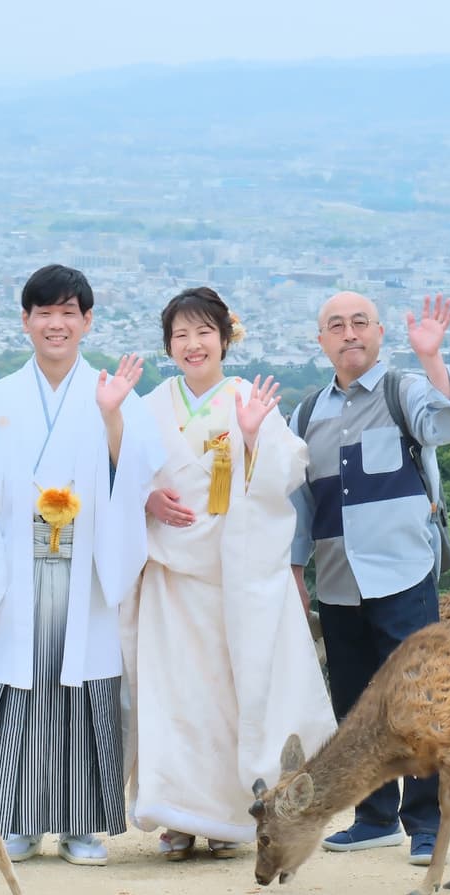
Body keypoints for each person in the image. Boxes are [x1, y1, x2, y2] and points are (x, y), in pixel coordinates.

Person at [0, 264, 163, 867]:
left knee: (84, 690)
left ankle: (81, 826)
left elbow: (137, 474)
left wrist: (114, 416)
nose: (56, 324)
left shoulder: (111, 391)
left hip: (86, 562)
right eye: (45, 313)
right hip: (16, 563)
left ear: (87, 322)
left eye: (69, 313)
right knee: (19, 690)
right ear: (26, 322)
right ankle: (14, 820)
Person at [121, 287, 337, 861]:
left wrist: (249, 437)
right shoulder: (148, 407)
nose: (193, 345)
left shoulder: (247, 396)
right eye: (181, 335)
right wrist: (146, 497)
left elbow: (289, 468)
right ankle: (174, 816)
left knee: (225, 695)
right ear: (169, 344)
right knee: (172, 697)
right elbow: (116, 471)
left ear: (224, 338)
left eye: (203, 333)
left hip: (230, 572)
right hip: (169, 571)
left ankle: (226, 817)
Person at [289, 291, 450, 867]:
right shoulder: (304, 415)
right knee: (355, 703)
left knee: (416, 700)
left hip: (402, 570)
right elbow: (298, 506)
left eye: (360, 323)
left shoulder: (405, 391)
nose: (349, 334)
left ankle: (426, 821)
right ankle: (372, 816)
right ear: (320, 341)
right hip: (339, 580)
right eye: (336, 326)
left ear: (379, 334)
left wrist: (432, 358)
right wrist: (296, 572)